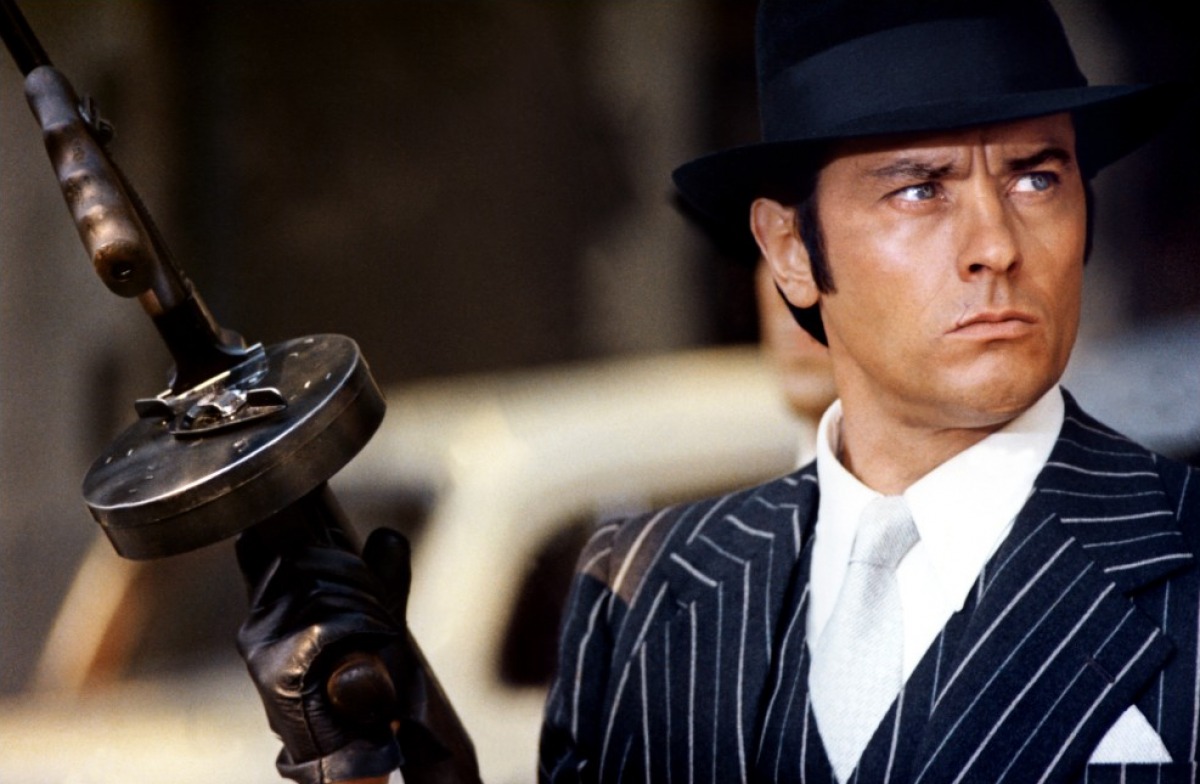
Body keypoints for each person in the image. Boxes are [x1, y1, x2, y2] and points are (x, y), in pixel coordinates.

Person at [237, 0, 1199, 782]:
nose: (995, 245)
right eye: (920, 189)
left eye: (1037, 179)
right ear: (789, 249)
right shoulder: (643, 592)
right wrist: (365, 767)